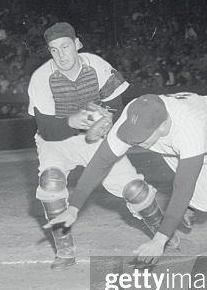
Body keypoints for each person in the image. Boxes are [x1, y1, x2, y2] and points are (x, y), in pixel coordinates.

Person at [48, 83, 207, 263]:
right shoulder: (134, 114)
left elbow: (184, 186)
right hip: (178, 150)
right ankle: (192, 207)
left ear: (163, 127)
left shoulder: (189, 127)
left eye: (140, 138)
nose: (133, 142)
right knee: (206, 203)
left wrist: (159, 240)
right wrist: (74, 207)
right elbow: (101, 162)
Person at [26, 21, 143, 270]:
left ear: (77, 44)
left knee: (134, 189)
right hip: (56, 141)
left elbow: (115, 105)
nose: (61, 55)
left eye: (66, 47)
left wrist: (103, 120)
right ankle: (65, 251)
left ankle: (164, 233)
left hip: (93, 137)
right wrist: (73, 121)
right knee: (51, 183)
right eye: (54, 50)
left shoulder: (97, 65)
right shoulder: (40, 78)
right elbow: (46, 128)